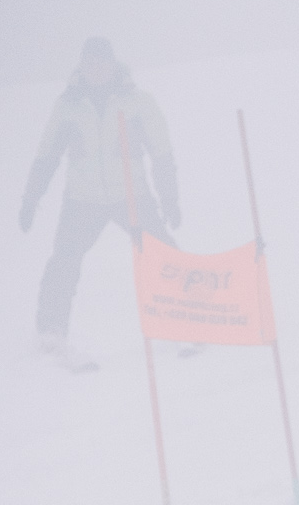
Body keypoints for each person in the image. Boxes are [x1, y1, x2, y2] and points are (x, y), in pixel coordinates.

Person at [18, 37, 179, 367]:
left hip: (131, 195)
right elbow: (47, 155)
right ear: (81, 66)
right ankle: (51, 334)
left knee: (164, 254)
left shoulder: (137, 102)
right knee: (64, 261)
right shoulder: (68, 106)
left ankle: (191, 320)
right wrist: (31, 198)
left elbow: (161, 152)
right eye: (89, 63)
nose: (96, 69)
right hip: (82, 200)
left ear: (112, 64)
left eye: (101, 62)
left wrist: (169, 198)